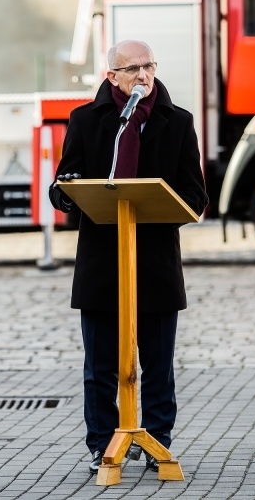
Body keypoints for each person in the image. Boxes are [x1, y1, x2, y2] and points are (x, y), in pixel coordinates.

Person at [49, 40, 208, 474]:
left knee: (157, 365)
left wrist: (164, 204)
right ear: (111, 76)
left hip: (154, 264)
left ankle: (157, 441)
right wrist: (67, 192)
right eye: (132, 68)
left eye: (149, 66)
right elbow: (67, 181)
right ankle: (103, 444)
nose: (143, 75)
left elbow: (196, 195)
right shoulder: (87, 120)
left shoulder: (178, 123)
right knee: (100, 367)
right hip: (103, 264)